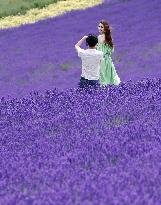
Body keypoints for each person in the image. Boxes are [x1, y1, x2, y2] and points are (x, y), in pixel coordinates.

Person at [96, 19, 121, 86]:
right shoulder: (101, 37)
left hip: (104, 61)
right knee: (108, 77)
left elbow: (109, 50)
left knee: (103, 77)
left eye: (101, 27)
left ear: (105, 28)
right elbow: (111, 50)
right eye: (99, 26)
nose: (100, 28)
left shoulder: (105, 38)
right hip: (104, 60)